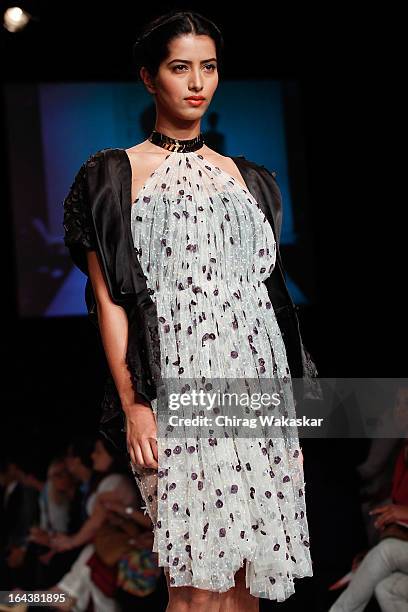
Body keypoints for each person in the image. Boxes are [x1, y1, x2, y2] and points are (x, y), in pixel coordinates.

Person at [62, 9, 321, 610]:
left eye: (208, 67)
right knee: (194, 590)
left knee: (246, 586)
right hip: (173, 385)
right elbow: (109, 302)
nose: (197, 83)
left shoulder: (249, 179)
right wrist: (134, 406)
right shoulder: (111, 176)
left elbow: (271, 301)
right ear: (151, 78)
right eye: (181, 68)